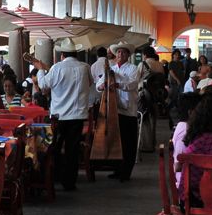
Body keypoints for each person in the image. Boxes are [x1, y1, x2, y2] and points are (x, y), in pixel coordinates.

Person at [29, 47, 94, 191]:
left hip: (60, 116)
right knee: (72, 149)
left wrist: (40, 69)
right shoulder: (85, 67)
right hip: (78, 116)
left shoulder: (57, 68)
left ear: (62, 55)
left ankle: (56, 176)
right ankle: (70, 182)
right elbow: (89, 83)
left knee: (56, 148)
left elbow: (43, 85)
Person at [99, 42, 146, 183]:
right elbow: (99, 83)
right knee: (116, 142)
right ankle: (117, 169)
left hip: (128, 110)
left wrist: (117, 83)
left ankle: (126, 172)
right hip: (114, 109)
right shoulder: (111, 68)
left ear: (128, 55)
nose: (121, 55)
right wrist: (101, 85)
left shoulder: (133, 69)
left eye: (124, 53)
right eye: (118, 52)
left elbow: (132, 84)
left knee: (128, 143)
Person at [171, 92, 202, 187]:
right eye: (200, 110)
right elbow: (178, 166)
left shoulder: (185, 126)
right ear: (191, 112)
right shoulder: (185, 131)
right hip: (186, 183)